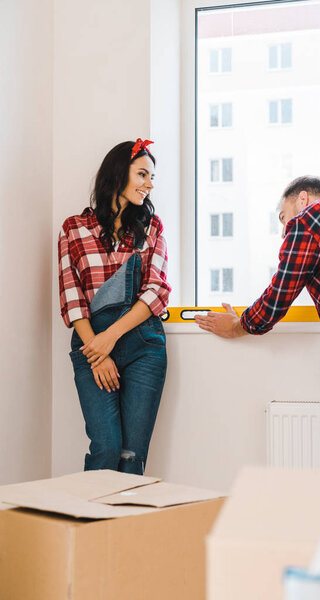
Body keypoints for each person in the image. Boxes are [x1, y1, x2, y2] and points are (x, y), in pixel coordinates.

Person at [195, 176, 320, 411]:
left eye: (283, 218)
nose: (284, 232)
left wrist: (237, 326)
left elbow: (280, 293)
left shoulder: (309, 218)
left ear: (303, 199)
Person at [58, 139, 170, 473]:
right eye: (142, 174)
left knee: (131, 456)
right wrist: (99, 349)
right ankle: (92, 526)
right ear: (119, 173)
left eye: (152, 177)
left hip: (143, 345)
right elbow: (71, 296)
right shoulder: (74, 229)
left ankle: (126, 526)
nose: (149, 185)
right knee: (105, 449)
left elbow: (156, 292)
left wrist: (110, 338)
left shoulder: (152, 227)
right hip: (91, 345)